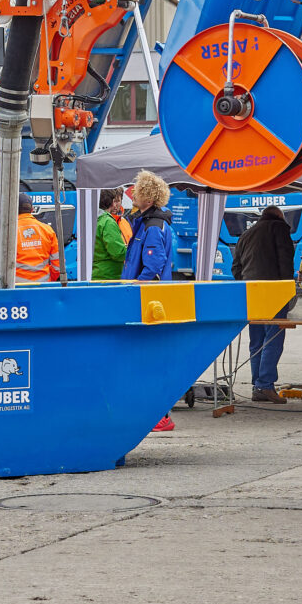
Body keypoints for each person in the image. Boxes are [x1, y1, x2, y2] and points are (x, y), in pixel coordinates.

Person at [122, 170, 178, 431]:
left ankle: (160, 416)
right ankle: (157, 415)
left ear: (147, 195)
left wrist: (136, 288)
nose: (132, 193)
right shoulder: (147, 222)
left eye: (136, 189)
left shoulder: (152, 226)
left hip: (147, 300)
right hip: (149, 298)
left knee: (149, 359)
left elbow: (154, 266)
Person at [232, 204, 297, 401]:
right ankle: (265, 385)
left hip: (251, 292)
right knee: (273, 338)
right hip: (274, 292)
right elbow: (286, 262)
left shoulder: (246, 234)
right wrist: (288, 290)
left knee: (257, 339)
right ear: (279, 217)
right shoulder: (279, 230)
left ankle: (257, 386)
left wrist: (245, 284)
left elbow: (236, 267)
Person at [0, 192, 62, 283]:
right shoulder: (47, 230)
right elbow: (57, 266)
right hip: (42, 288)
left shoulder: (4, 230)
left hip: (11, 289)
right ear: (32, 209)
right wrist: (46, 279)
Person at [91, 187, 129, 280]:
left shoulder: (93, 218)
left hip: (97, 273)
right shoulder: (107, 222)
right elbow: (117, 253)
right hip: (109, 276)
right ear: (112, 202)